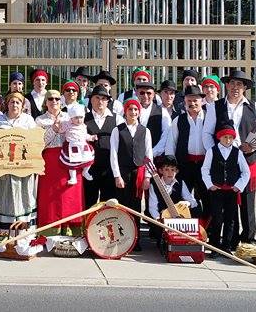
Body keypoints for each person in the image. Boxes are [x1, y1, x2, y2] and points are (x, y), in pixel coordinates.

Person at [214, 70, 256, 245]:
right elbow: (208, 132)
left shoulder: (255, 108)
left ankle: (249, 238)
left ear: (245, 88)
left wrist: (253, 148)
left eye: (240, 84)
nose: (235, 87)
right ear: (227, 85)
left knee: (248, 201)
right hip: (225, 162)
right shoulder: (216, 106)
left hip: (248, 160)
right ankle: (231, 238)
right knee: (229, 202)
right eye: (233, 83)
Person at [0, 91, 39, 235]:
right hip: (4, 167)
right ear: (7, 104)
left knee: (22, 197)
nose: (14, 105)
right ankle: (0, 234)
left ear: (22, 105)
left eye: (18, 102)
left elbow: (35, 142)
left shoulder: (28, 120)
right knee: (3, 197)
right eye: (12, 102)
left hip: (22, 166)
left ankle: (23, 233)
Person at [154, 84, 215, 212]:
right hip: (185, 165)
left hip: (204, 164)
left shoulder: (209, 118)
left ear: (201, 100)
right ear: (185, 101)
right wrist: (171, 165)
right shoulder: (178, 120)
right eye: (189, 100)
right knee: (183, 198)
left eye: (195, 100)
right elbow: (171, 143)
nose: (192, 103)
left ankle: (207, 229)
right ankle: (185, 225)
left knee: (207, 196)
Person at [35, 91, 84, 236]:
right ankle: (49, 232)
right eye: (50, 99)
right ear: (46, 102)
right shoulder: (39, 120)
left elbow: (79, 134)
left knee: (69, 195)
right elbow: (39, 143)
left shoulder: (69, 117)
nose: (54, 101)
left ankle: (71, 230)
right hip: (49, 160)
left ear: (61, 102)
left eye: (57, 98)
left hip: (69, 158)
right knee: (50, 197)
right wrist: (53, 129)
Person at [110, 98, 153, 250]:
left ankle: (135, 240)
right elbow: (113, 153)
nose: (133, 112)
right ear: (125, 111)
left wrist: (148, 176)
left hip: (138, 172)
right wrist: (117, 175)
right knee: (122, 206)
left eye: (136, 110)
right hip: (123, 172)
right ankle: (121, 240)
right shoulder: (118, 130)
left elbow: (149, 155)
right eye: (130, 109)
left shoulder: (145, 131)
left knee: (136, 207)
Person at [202, 127, 250, 253]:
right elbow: (205, 169)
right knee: (217, 218)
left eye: (230, 138)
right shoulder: (212, 151)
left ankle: (227, 246)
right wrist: (210, 184)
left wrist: (238, 186)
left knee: (230, 219)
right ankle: (214, 246)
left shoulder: (237, 152)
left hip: (231, 191)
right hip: (216, 190)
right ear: (220, 138)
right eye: (225, 137)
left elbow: (246, 172)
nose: (228, 140)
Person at [148, 156, 200, 247]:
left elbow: (192, 201)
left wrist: (186, 203)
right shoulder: (154, 185)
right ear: (160, 171)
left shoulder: (181, 183)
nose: (170, 172)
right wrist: (158, 220)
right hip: (163, 218)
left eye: (173, 170)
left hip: (179, 218)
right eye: (166, 169)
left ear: (177, 171)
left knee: (196, 210)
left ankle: (185, 239)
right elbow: (152, 207)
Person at [83, 85, 122, 205]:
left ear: (107, 101)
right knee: (89, 202)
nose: (100, 101)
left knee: (109, 204)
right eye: (97, 97)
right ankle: (88, 224)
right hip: (89, 169)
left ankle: (105, 225)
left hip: (109, 169)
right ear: (91, 100)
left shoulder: (117, 119)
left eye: (103, 98)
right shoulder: (83, 119)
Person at [58, 103, 94, 184]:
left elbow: (85, 135)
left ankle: (85, 172)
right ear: (71, 118)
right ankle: (73, 177)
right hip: (72, 146)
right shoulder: (67, 124)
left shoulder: (83, 126)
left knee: (89, 159)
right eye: (76, 118)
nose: (79, 120)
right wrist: (59, 124)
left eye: (81, 117)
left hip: (83, 145)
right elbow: (61, 131)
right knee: (72, 163)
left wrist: (91, 137)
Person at [146, 80, 177, 150]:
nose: (169, 96)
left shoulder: (180, 113)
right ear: (160, 94)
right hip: (155, 152)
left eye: (172, 93)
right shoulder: (153, 111)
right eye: (166, 92)